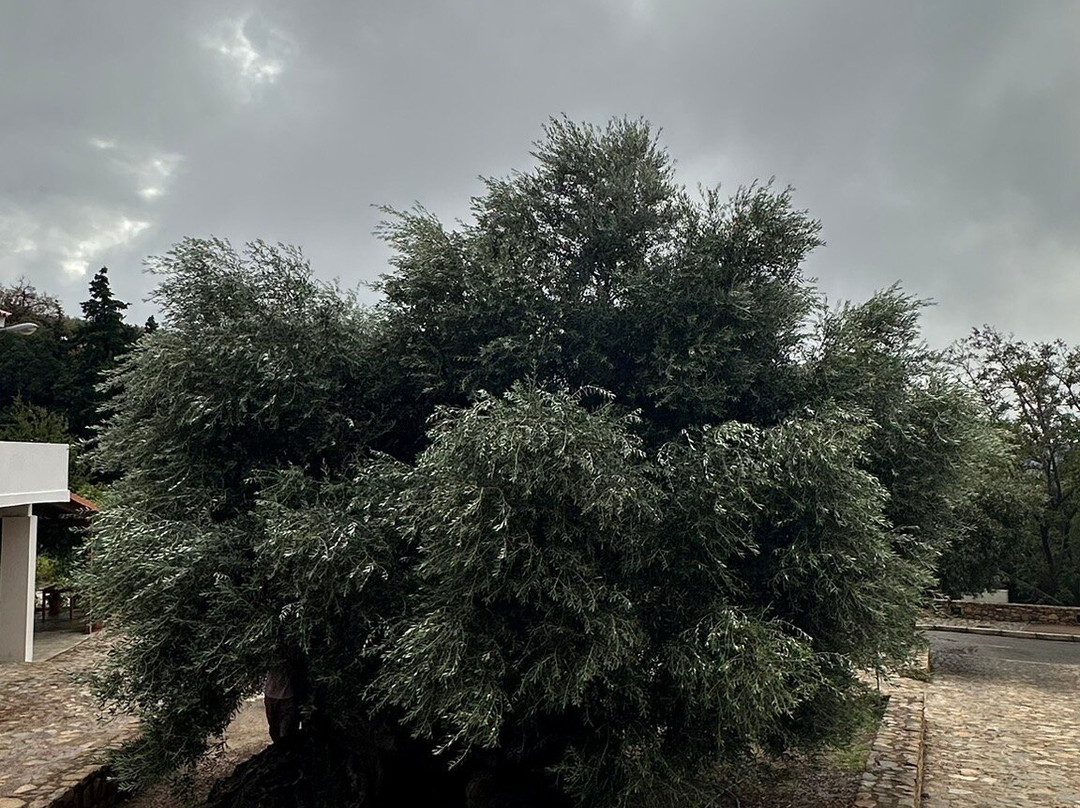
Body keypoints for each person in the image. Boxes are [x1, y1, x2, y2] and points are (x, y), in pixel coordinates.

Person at [264, 654, 306, 744]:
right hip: (277, 695)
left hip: (282, 695)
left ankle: (282, 746)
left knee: (283, 727)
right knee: (277, 726)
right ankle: (281, 746)